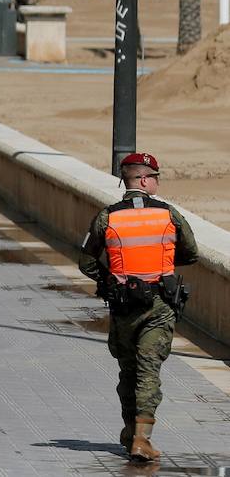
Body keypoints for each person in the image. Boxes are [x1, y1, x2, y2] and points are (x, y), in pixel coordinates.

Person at [78, 152, 198, 462]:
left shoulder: (107, 216)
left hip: (123, 306)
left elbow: (87, 261)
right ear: (144, 180)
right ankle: (142, 439)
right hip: (159, 304)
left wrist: (112, 280)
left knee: (128, 371)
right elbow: (191, 252)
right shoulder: (169, 214)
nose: (157, 182)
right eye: (155, 177)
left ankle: (131, 432)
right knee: (149, 370)